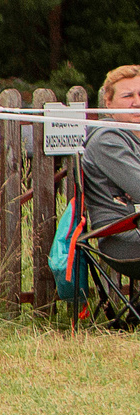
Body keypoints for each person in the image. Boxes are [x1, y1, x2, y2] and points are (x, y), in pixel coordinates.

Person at [80, 64, 140, 269]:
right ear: (108, 102)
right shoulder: (107, 140)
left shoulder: (135, 135)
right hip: (121, 238)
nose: (137, 102)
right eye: (127, 96)